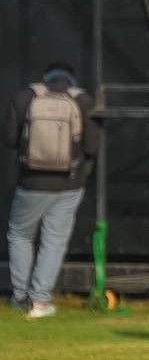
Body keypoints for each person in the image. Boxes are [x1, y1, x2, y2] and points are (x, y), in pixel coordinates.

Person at [5, 63, 101, 318]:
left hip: (30, 182)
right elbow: (92, 147)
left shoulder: (25, 97)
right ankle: (39, 302)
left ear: (44, 77)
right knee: (54, 241)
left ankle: (20, 297)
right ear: (72, 79)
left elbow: (9, 139)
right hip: (69, 183)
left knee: (20, 235)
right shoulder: (83, 101)